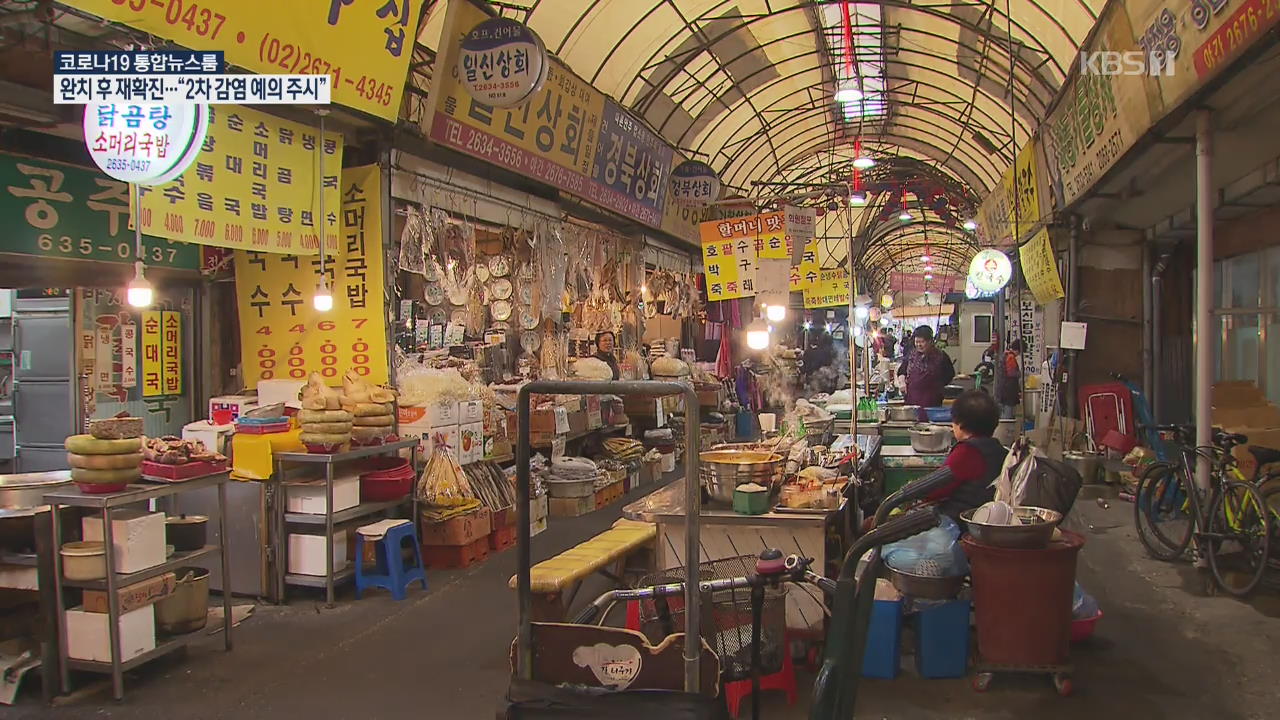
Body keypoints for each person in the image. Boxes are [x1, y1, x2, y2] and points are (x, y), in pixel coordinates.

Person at [925, 390, 1009, 520]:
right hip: (986, 518)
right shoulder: (1000, 450)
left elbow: (935, 490)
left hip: (960, 522)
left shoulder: (967, 452)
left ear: (960, 423)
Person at [896, 326, 955, 417]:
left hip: (932, 403)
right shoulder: (911, 355)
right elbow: (901, 371)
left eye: (922, 342)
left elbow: (950, 374)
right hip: (912, 401)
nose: (919, 345)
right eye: (917, 342)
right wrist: (902, 382)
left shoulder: (941, 356)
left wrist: (936, 386)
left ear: (930, 341)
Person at [998, 339, 1023, 418]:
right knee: (1008, 413)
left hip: (1003, 387)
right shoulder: (1011, 358)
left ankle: (1003, 428)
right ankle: (1006, 429)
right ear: (1018, 350)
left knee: (1004, 410)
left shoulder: (1005, 355)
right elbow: (1011, 373)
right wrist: (1019, 373)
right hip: (1008, 389)